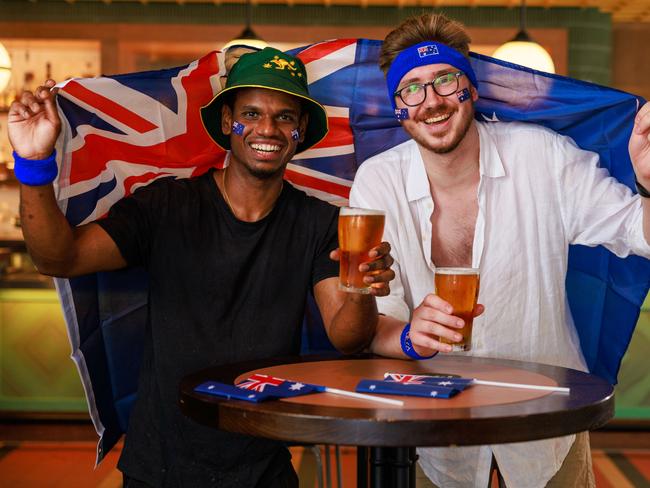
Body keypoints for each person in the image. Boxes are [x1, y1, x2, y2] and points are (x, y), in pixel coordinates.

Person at [9, 47, 395, 487]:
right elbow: (59, 257)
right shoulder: (167, 205)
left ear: (301, 130)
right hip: (160, 464)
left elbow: (347, 337)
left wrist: (363, 287)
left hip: (262, 465)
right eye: (251, 113)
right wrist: (34, 163)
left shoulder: (321, 222)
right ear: (227, 120)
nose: (267, 128)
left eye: (285, 117)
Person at [350, 12, 650, 488]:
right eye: (412, 89)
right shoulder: (378, 181)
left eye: (445, 80)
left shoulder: (542, 156)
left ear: (470, 88)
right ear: (399, 108)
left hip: (547, 425)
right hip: (435, 432)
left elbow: (638, 230)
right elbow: (373, 322)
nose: (432, 101)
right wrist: (410, 337)